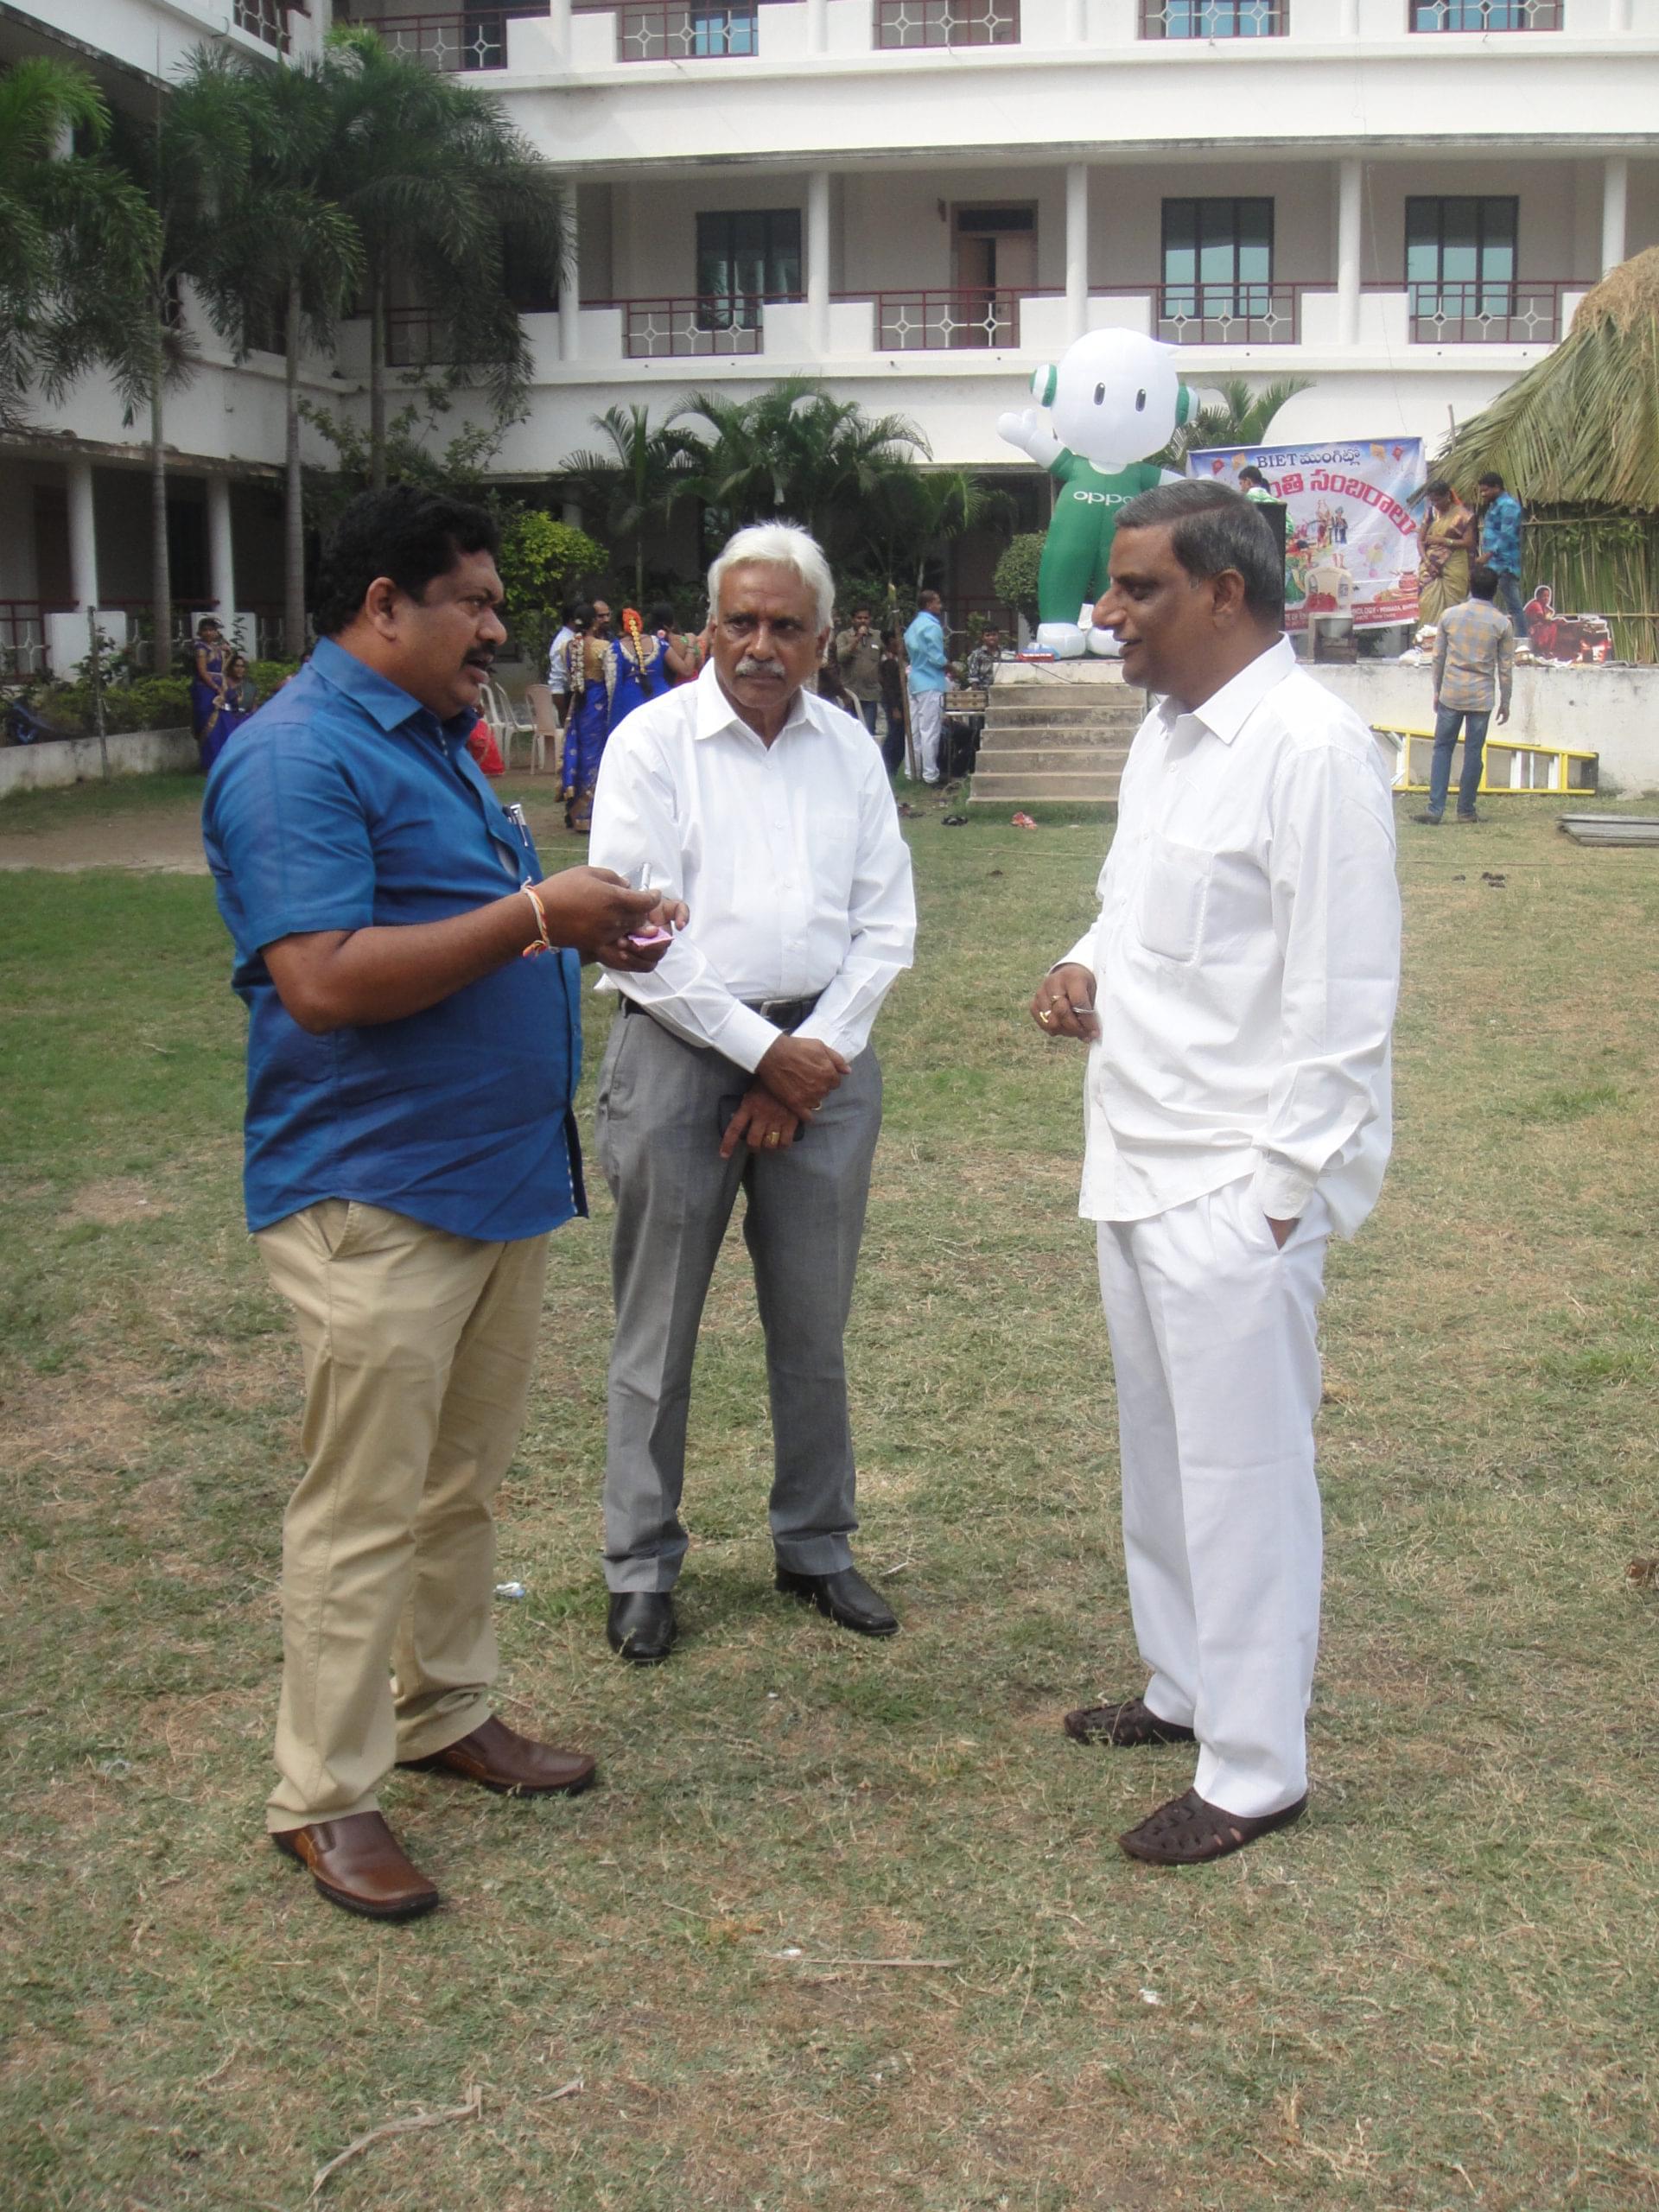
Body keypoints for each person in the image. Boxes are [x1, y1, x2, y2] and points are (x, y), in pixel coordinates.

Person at [201, 486, 675, 1923]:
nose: (497, 624)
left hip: (494, 1179)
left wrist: (585, 932)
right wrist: (543, 918)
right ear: (382, 607)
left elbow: (459, 930)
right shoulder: (294, 757)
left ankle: (448, 1708)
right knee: (360, 1510)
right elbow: (327, 981)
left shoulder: (435, 741)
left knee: (458, 1487)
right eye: (468, 600)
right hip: (376, 1193)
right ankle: (326, 1796)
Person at [1031, 479, 1399, 1866]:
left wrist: (1280, 1193)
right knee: (1163, 1455)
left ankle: (1256, 1769)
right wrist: (1086, 962)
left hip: (1234, 1178)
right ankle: (1185, 1688)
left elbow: (1346, 992)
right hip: (1136, 1148)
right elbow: (1136, 904)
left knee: (1245, 1471)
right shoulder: (1170, 733)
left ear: (1226, 594)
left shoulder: (1310, 748)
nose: (1105, 612)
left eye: (1136, 590)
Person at [588, 521, 917, 1666]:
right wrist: (755, 1054)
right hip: (680, 1051)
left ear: (824, 640)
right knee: (657, 1323)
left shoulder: (850, 749)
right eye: (741, 621)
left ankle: (816, 1544)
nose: (761, 645)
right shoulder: (650, 746)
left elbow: (886, 925)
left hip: (822, 1058)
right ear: (707, 630)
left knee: (813, 1323)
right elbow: (641, 932)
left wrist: (808, 1057)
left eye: (786, 626)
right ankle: (640, 1564)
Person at [1414, 563, 1514, 827]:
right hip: (1481, 695)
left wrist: (1437, 690)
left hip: (1452, 691)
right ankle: (1466, 810)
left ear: (1470, 587)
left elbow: (1438, 658)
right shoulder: (1502, 623)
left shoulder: (1450, 616)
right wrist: (1506, 701)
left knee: (1442, 749)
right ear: (1495, 592)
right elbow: (1505, 668)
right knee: (1473, 752)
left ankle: (1435, 809)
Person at [559, 601, 613, 832]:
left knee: (579, 752)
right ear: (593, 622)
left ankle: (575, 811)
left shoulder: (566, 647)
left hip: (578, 705)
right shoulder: (603, 647)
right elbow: (611, 678)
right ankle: (591, 813)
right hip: (598, 706)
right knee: (596, 754)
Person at [903, 588, 950, 785]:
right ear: (929, 604)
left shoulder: (913, 627)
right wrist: (951, 667)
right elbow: (936, 657)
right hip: (930, 681)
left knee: (913, 730)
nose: (940, 606)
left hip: (914, 680)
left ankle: (912, 772)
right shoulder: (932, 627)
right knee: (930, 730)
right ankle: (930, 775)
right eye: (937, 602)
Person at [1416, 479, 1474, 626]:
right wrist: (1428, 564)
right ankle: (1429, 640)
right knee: (1428, 603)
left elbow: (1468, 542)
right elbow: (1420, 541)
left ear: (1447, 495)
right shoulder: (1430, 513)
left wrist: (1443, 541)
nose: (1435, 504)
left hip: (1455, 563)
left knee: (1454, 606)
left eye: (1438, 500)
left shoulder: (1463, 515)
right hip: (1431, 565)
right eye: (1432, 500)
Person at [1475, 472, 1526, 632]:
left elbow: (1507, 535)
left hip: (1505, 564)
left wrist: (1487, 554)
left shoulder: (1508, 506)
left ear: (1497, 487)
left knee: (1514, 606)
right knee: (1478, 599)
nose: (1483, 494)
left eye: (1486, 490)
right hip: (1493, 564)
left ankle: (1523, 641)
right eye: (1481, 491)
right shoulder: (1495, 505)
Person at [198, 652, 257, 774]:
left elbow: (253, 707)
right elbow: (220, 702)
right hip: (227, 716)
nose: (240, 669)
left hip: (245, 718)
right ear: (231, 668)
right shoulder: (224, 683)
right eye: (237, 666)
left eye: (242, 666)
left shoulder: (249, 686)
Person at [834, 604, 883, 737]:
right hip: (849, 695)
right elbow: (840, 657)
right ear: (852, 619)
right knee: (848, 734)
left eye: (866, 618)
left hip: (870, 694)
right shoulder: (843, 636)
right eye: (859, 618)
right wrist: (857, 639)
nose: (863, 621)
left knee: (868, 734)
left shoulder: (878, 636)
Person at [189, 617, 229, 760]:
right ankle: (208, 760)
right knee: (207, 722)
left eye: (211, 630)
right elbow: (202, 671)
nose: (208, 633)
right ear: (200, 632)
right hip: (205, 689)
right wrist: (215, 687)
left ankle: (219, 757)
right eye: (205, 630)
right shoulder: (200, 648)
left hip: (218, 687)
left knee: (220, 722)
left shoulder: (216, 648)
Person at [878, 627, 906, 775]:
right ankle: (887, 766)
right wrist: (895, 708)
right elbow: (889, 687)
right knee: (895, 736)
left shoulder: (898, 659)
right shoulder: (888, 662)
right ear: (891, 641)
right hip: (893, 703)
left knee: (899, 735)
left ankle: (892, 768)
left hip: (899, 702)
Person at [546, 601, 577, 727]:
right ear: (572, 619)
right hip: (564, 694)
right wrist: (563, 710)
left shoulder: (571, 638)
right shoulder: (565, 641)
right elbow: (558, 678)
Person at [1523, 582, 1560, 658]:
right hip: (1529, 629)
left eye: (1548, 596)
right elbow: (1543, 620)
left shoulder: (1544, 607)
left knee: (1553, 626)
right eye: (1544, 596)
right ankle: (1542, 650)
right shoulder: (1536, 604)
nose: (1546, 598)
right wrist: (1556, 621)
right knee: (1552, 626)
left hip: (1535, 628)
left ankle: (1547, 650)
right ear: (1538, 597)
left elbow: (1549, 615)